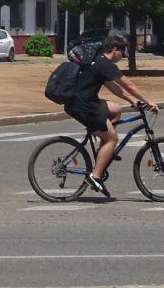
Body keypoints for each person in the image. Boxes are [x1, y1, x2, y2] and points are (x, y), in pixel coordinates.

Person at [65, 31, 155, 198]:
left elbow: (113, 87)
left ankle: (103, 152)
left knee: (115, 109)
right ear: (115, 49)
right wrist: (148, 101)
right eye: (122, 53)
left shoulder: (98, 60)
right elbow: (128, 84)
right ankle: (95, 176)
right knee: (112, 139)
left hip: (82, 101)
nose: (123, 57)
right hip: (83, 106)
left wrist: (131, 100)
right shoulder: (105, 64)